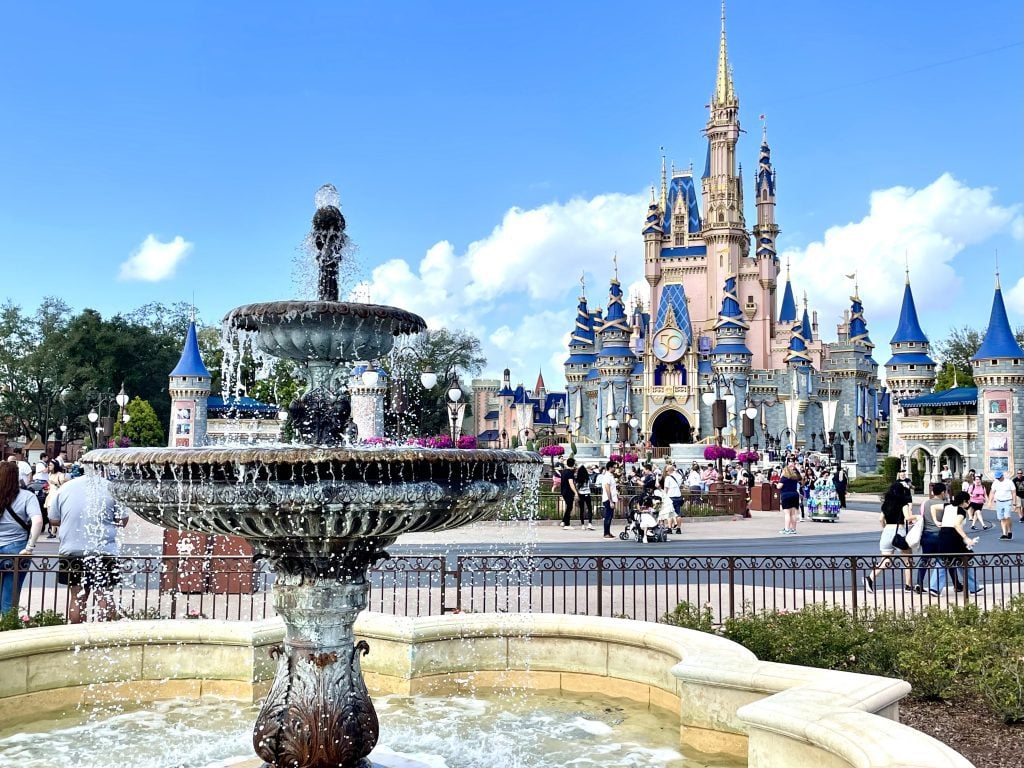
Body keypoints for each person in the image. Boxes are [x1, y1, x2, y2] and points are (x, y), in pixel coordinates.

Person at [49, 473, 129, 623]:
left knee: (77, 597)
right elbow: (122, 521)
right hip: (104, 550)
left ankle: (76, 635)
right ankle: (105, 636)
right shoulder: (111, 488)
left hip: (72, 550)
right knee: (104, 594)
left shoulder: (65, 488)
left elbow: (53, 519)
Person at [0, 462, 44, 613]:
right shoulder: (27, 496)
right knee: (10, 597)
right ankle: (8, 630)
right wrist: (30, 547)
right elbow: (38, 521)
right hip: (17, 549)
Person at [865, 482, 916, 593]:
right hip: (899, 531)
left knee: (886, 560)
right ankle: (908, 585)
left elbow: (880, 519)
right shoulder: (904, 503)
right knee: (908, 559)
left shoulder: (886, 504)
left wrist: (884, 528)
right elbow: (908, 517)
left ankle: (870, 578)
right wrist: (918, 516)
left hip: (887, 531)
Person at [934, 491, 982, 595]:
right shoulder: (961, 511)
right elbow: (956, 524)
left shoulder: (947, 506)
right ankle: (974, 587)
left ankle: (934, 588)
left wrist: (936, 521)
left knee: (943, 561)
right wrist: (966, 538)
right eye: (968, 501)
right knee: (964, 559)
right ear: (964, 501)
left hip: (943, 534)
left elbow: (933, 507)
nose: (968, 503)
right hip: (954, 536)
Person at [915, 483, 946, 593]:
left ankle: (919, 582)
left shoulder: (925, 503)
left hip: (926, 535)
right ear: (943, 492)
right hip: (939, 535)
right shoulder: (944, 505)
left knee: (924, 560)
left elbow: (920, 517)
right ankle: (956, 583)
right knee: (944, 561)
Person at [988, 469, 1016, 541]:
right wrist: (989, 502)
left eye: (999, 477)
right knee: (1001, 518)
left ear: (1002, 476)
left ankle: (1009, 531)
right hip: (999, 501)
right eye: (997, 478)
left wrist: (1014, 502)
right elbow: (992, 492)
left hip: (1007, 501)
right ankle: (1004, 534)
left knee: (1007, 517)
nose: (998, 479)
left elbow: (1013, 492)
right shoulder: (995, 482)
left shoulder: (1009, 482)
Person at [43, 458, 68, 538]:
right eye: (49, 465)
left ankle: (57, 531)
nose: (49, 467)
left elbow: (64, 486)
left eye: (50, 465)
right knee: (49, 514)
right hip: (50, 495)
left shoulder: (60, 475)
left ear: (55, 466)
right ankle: (53, 531)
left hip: (56, 496)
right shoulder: (50, 475)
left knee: (55, 514)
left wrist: (55, 484)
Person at [776, 460, 801, 535]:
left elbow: (779, 486)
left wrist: (777, 483)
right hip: (795, 494)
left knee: (787, 514)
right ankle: (793, 529)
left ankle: (786, 529)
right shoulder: (794, 478)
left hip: (786, 495)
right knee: (793, 514)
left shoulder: (784, 478)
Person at [558, 458, 580, 529]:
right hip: (568, 492)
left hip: (563, 491)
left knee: (569, 507)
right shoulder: (570, 473)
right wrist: (575, 492)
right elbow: (571, 483)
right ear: (573, 464)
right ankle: (567, 524)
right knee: (569, 507)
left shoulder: (564, 471)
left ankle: (563, 521)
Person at [662, 463, 683, 534]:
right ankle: (679, 529)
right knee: (678, 513)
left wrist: (664, 497)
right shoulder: (678, 476)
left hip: (671, 497)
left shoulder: (668, 478)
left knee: (670, 514)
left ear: (668, 471)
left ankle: (670, 528)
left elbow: (666, 488)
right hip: (678, 496)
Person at [599, 461, 618, 539]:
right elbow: (607, 488)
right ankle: (606, 533)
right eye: (614, 467)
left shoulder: (610, 476)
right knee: (608, 516)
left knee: (610, 516)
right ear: (610, 467)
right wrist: (610, 500)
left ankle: (608, 532)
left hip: (612, 498)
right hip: (608, 499)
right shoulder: (607, 476)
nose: (615, 468)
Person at [574, 462, 594, 530]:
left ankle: (582, 525)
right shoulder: (587, 478)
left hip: (581, 494)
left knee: (582, 510)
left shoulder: (578, 479)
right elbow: (591, 484)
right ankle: (590, 523)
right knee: (589, 509)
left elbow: (576, 487)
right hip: (587, 494)